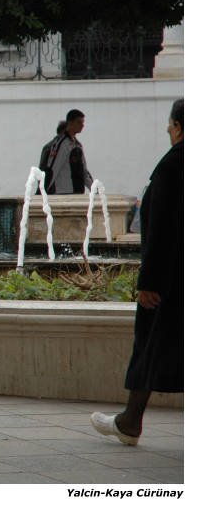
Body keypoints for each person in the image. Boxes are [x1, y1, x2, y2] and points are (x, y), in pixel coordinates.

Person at [91, 99, 183, 446]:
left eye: (169, 125)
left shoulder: (174, 165)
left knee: (151, 345)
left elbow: (160, 228)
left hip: (172, 281)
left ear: (176, 126)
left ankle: (131, 420)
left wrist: (148, 281)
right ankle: (130, 419)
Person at [45, 109, 93, 194]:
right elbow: (53, 169)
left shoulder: (77, 145)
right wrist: (42, 192)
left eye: (83, 123)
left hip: (78, 192)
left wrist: (94, 189)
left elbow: (84, 171)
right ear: (70, 123)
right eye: (79, 122)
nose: (82, 126)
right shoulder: (62, 144)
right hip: (63, 193)